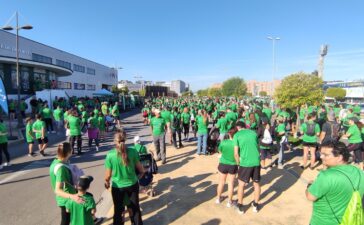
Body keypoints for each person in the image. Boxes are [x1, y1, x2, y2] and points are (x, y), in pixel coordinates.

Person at [306, 141, 364, 225]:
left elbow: (310, 197)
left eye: (326, 155)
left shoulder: (326, 176)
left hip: (324, 222)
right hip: (350, 220)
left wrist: (309, 185)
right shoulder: (359, 172)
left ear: (339, 157)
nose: (321, 157)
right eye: (321, 153)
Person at [104, 131, 145, 225]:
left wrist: (106, 182)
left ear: (115, 141)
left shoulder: (110, 155)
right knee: (135, 208)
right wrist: (138, 177)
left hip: (117, 187)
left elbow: (107, 176)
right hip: (132, 184)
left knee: (118, 210)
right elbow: (141, 170)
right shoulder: (133, 151)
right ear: (125, 140)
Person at [50, 142, 83, 225]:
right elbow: (57, 190)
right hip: (66, 200)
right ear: (69, 152)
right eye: (71, 149)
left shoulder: (55, 162)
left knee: (69, 220)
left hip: (65, 199)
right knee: (66, 221)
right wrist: (73, 196)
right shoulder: (61, 169)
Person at [234, 121, 261, 214]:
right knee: (256, 184)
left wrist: (238, 164)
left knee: (241, 184)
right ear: (245, 126)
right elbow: (258, 147)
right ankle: (256, 205)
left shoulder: (237, 135)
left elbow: (236, 153)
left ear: (238, 127)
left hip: (245, 163)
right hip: (256, 162)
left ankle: (240, 205)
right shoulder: (253, 133)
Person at [216, 127, 238, 208]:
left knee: (221, 182)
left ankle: (218, 198)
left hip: (223, 164)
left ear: (229, 134)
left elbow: (220, 151)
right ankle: (229, 201)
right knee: (231, 183)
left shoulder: (223, 142)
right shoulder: (236, 144)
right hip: (233, 165)